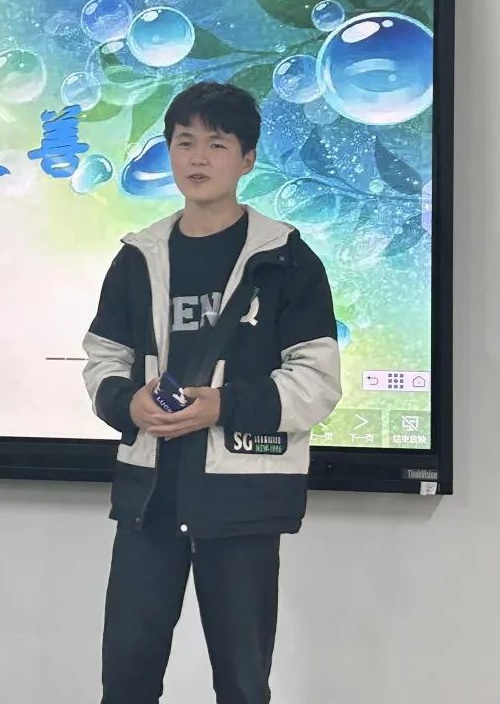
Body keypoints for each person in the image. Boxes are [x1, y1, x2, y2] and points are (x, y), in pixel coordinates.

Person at [82, 81, 342, 704]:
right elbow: (104, 359)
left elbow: (316, 380)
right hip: (150, 500)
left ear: (247, 159)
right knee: (126, 679)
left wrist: (223, 406)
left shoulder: (286, 260)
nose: (197, 158)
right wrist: (127, 404)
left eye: (217, 144)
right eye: (184, 142)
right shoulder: (138, 257)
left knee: (244, 684)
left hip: (242, 501)